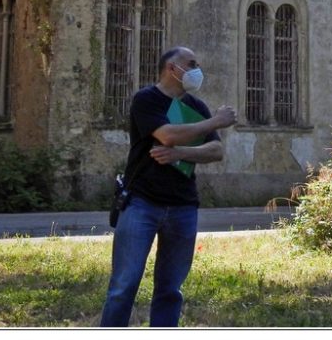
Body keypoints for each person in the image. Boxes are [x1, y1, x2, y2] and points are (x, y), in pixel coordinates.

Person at [101, 46, 237, 327]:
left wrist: (180, 154)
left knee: (170, 290)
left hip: (183, 206)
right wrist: (214, 122)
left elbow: (215, 151)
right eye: (191, 63)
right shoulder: (146, 99)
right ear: (171, 69)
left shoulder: (196, 107)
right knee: (123, 286)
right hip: (141, 203)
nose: (197, 69)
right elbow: (166, 134)